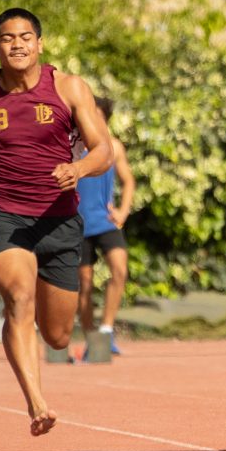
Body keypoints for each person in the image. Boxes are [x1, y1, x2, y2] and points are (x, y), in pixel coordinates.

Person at [0, 8, 113, 437]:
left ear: (40, 44)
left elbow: (102, 149)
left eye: (26, 37)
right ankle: (36, 402)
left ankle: (41, 349)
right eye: (8, 38)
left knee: (57, 335)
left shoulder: (69, 88)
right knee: (17, 297)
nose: (17, 45)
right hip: (3, 214)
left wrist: (79, 170)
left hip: (58, 219)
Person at [76, 96, 135, 358]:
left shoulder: (114, 147)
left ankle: (107, 330)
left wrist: (123, 210)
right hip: (77, 224)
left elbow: (128, 181)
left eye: (96, 114)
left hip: (106, 222)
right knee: (84, 284)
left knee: (120, 270)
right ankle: (91, 340)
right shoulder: (75, 147)